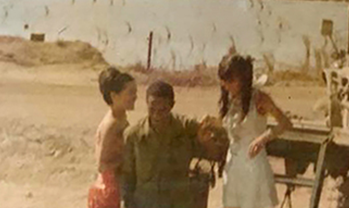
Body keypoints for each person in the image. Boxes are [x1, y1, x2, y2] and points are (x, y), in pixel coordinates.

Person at [122, 79, 225, 208]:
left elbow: (216, 154)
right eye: (152, 108)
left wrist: (206, 141)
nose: (157, 114)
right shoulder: (134, 136)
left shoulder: (184, 131)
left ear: (172, 106)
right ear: (146, 103)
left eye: (163, 109)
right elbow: (127, 179)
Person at [219, 53, 292, 208]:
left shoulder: (259, 98)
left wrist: (263, 138)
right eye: (225, 81)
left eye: (231, 81)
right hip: (233, 163)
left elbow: (285, 123)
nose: (226, 86)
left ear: (243, 79)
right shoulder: (230, 100)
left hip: (252, 164)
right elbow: (230, 127)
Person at [89, 67, 137, 208]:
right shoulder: (114, 124)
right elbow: (103, 161)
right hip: (109, 189)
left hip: (104, 184)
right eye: (130, 93)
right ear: (114, 96)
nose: (135, 97)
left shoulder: (117, 118)